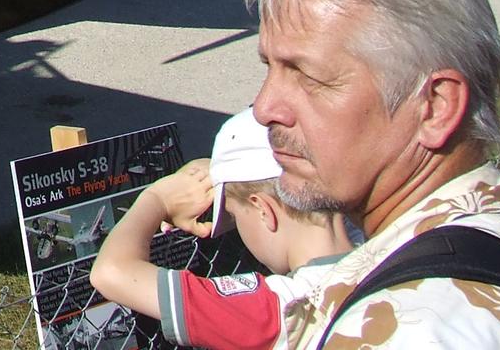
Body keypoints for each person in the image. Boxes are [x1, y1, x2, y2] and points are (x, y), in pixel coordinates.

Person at [245, 0, 500, 347]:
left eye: (310, 78)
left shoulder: (407, 326)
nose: (264, 108)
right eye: (270, 66)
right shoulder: (496, 235)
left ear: (434, 107)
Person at [90, 108, 353, 349]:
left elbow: (111, 272)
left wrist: (156, 198)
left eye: (235, 218)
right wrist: (220, 173)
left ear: (263, 210)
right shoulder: (380, 245)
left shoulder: (281, 310)